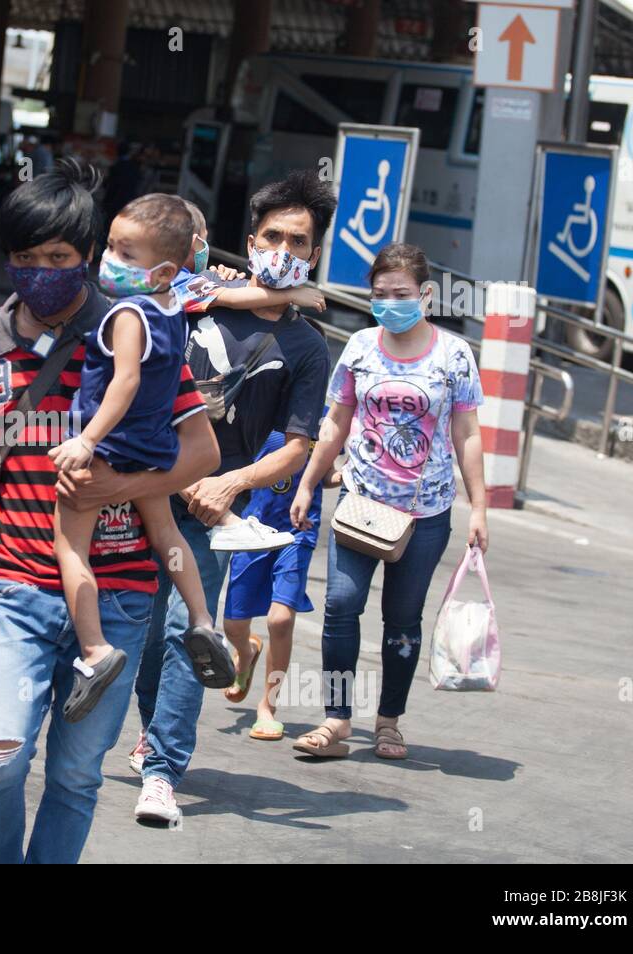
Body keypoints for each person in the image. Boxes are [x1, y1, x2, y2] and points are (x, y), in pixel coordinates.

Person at [0, 158, 219, 863]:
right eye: (23, 258)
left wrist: (114, 490)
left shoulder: (134, 331)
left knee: (73, 776)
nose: (40, 271)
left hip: (123, 596)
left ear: (89, 256)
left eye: (57, 257)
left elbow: (201, 453)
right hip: (17, 588)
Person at [128, 169, 336, 824]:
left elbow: (297, 447)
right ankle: (147, 728)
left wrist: (230, 483)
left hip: (212, 506)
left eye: (299, 242)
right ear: (250, 242)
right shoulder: (193, 296)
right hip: (140, 484)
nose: (284, 248)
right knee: (139, 630)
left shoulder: (307, 347)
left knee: (188, 627)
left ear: (313, 253)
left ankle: (162, 768)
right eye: (274, 236)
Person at [290, 241, 488, 760]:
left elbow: (467, 432)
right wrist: (309, 481)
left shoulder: (454, 355)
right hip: (360, 501)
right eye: (379, 294)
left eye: (400, 294)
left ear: (425, 295)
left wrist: (480, 508)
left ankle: (389, 722)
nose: (389, 303)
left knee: (402, 619)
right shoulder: (358, 347)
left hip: (425, 513)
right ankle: (336, 721)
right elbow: (335, 421)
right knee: (340, 606)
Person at [47, 194, 226, 724]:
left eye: (126, 254)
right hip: (155, 451)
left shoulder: (128, 313)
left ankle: (95, 650)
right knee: (167, 536)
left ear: (164, 269)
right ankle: (200, 621)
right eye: (111, 247)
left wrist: (87, 441)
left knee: (69, 544)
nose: (109, 260)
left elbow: (124, 382)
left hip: (112, 451)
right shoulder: (174, 308)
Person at [220, 424, 340, 741]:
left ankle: (268, 707)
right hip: (251, 528)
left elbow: (326, 473)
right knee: (233, 625)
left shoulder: (326, 420)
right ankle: (246, 652)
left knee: (281, 619)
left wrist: (347, 474)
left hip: (298, 532)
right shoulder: (264, 406)